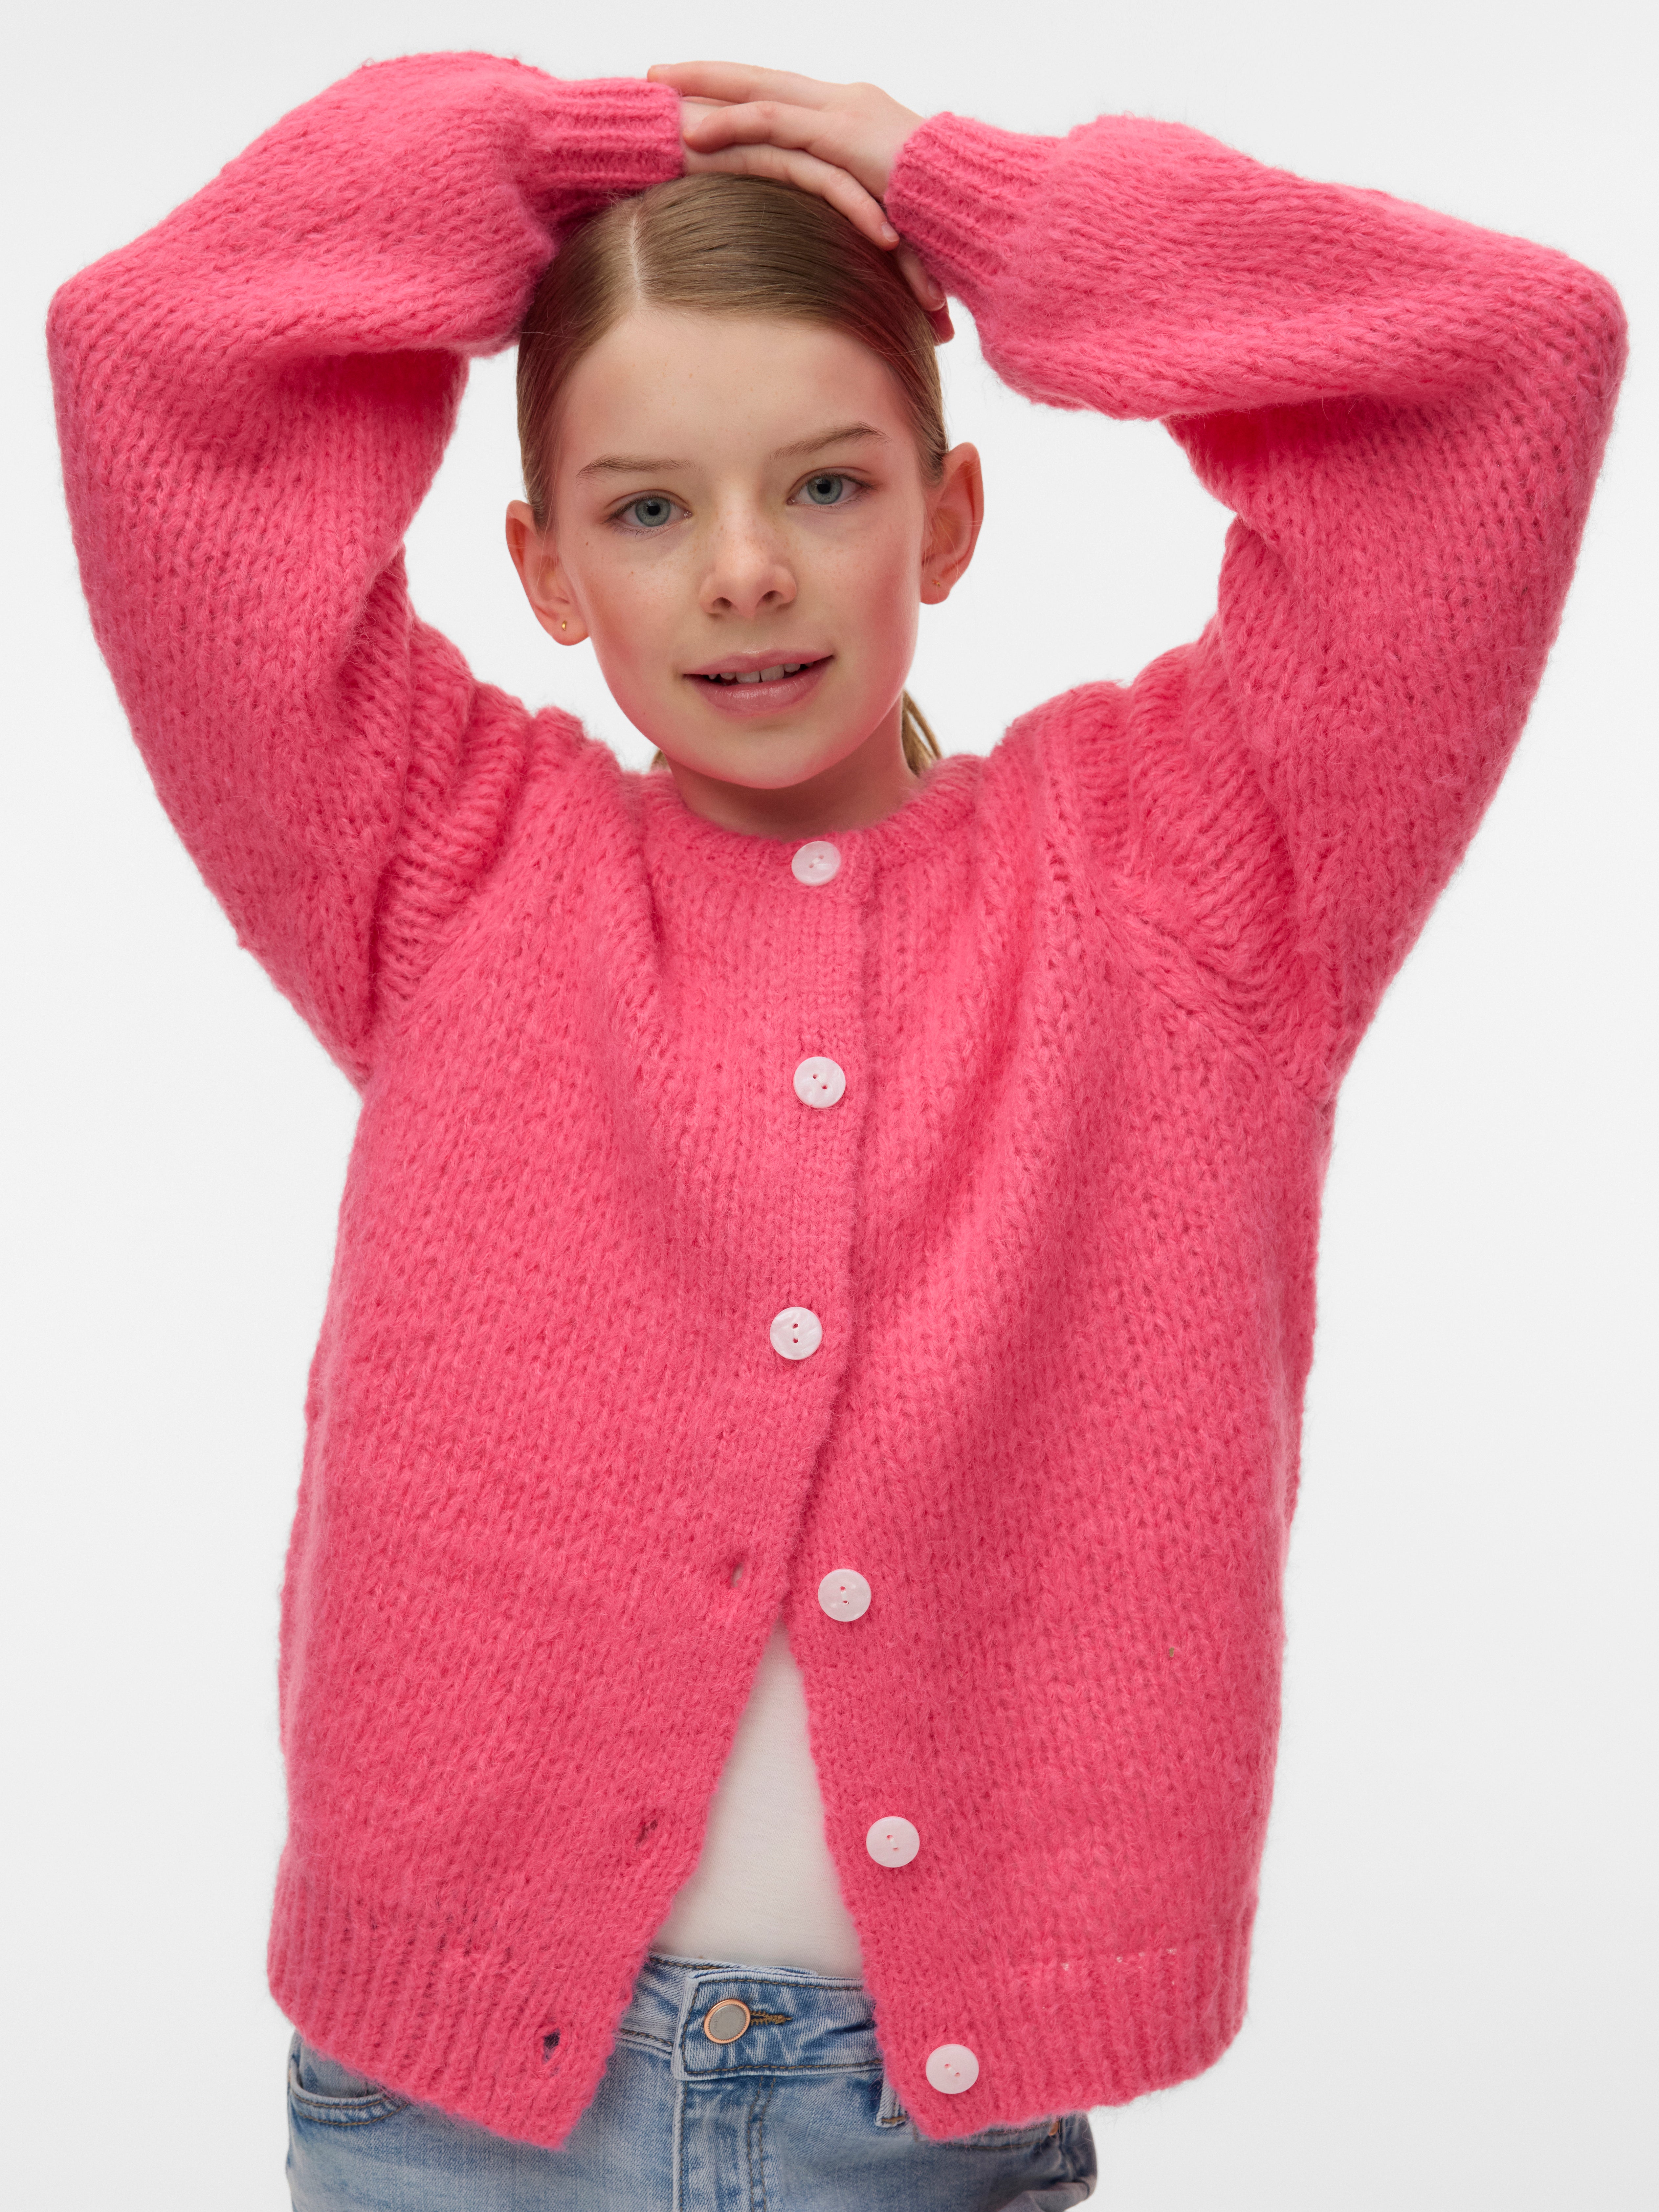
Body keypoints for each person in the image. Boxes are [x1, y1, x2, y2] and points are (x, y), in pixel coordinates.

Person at [46, 52, 1625, 2212]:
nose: (744, 573)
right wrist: (522, 169)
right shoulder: (440, 865)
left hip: (920, 2130)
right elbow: (154, 363)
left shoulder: (1194, 873)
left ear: (949, 515)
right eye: (646, 510)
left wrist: (993, 209)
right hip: (451, 2124)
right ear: (542, 565)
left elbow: (1507, 366)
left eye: (826, 485)